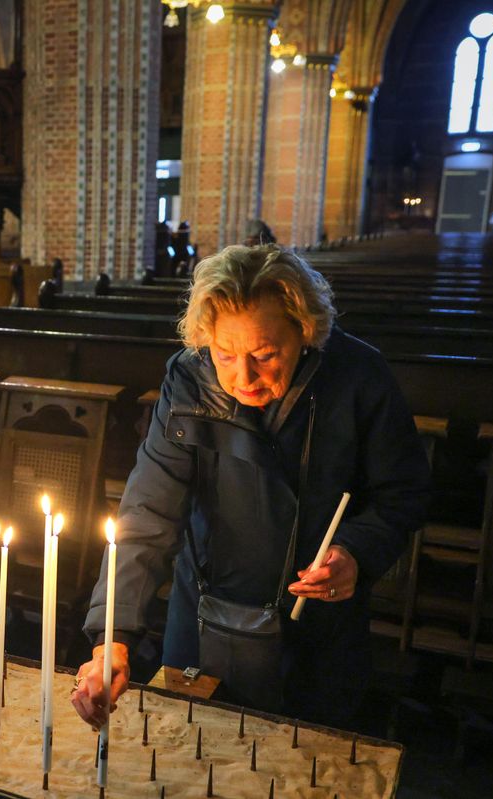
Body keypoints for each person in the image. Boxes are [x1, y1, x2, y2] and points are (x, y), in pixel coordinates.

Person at [71, 244, 430, 730]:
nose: (244, 377)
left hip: (315, 629)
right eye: (225, 354)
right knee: (188, 759)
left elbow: (403, 494)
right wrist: (112, 636)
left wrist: (356, 553)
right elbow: (146, 515)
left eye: (265, 355)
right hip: (201, 618)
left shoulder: (359, 376)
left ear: (305, 331)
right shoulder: (188, 378)